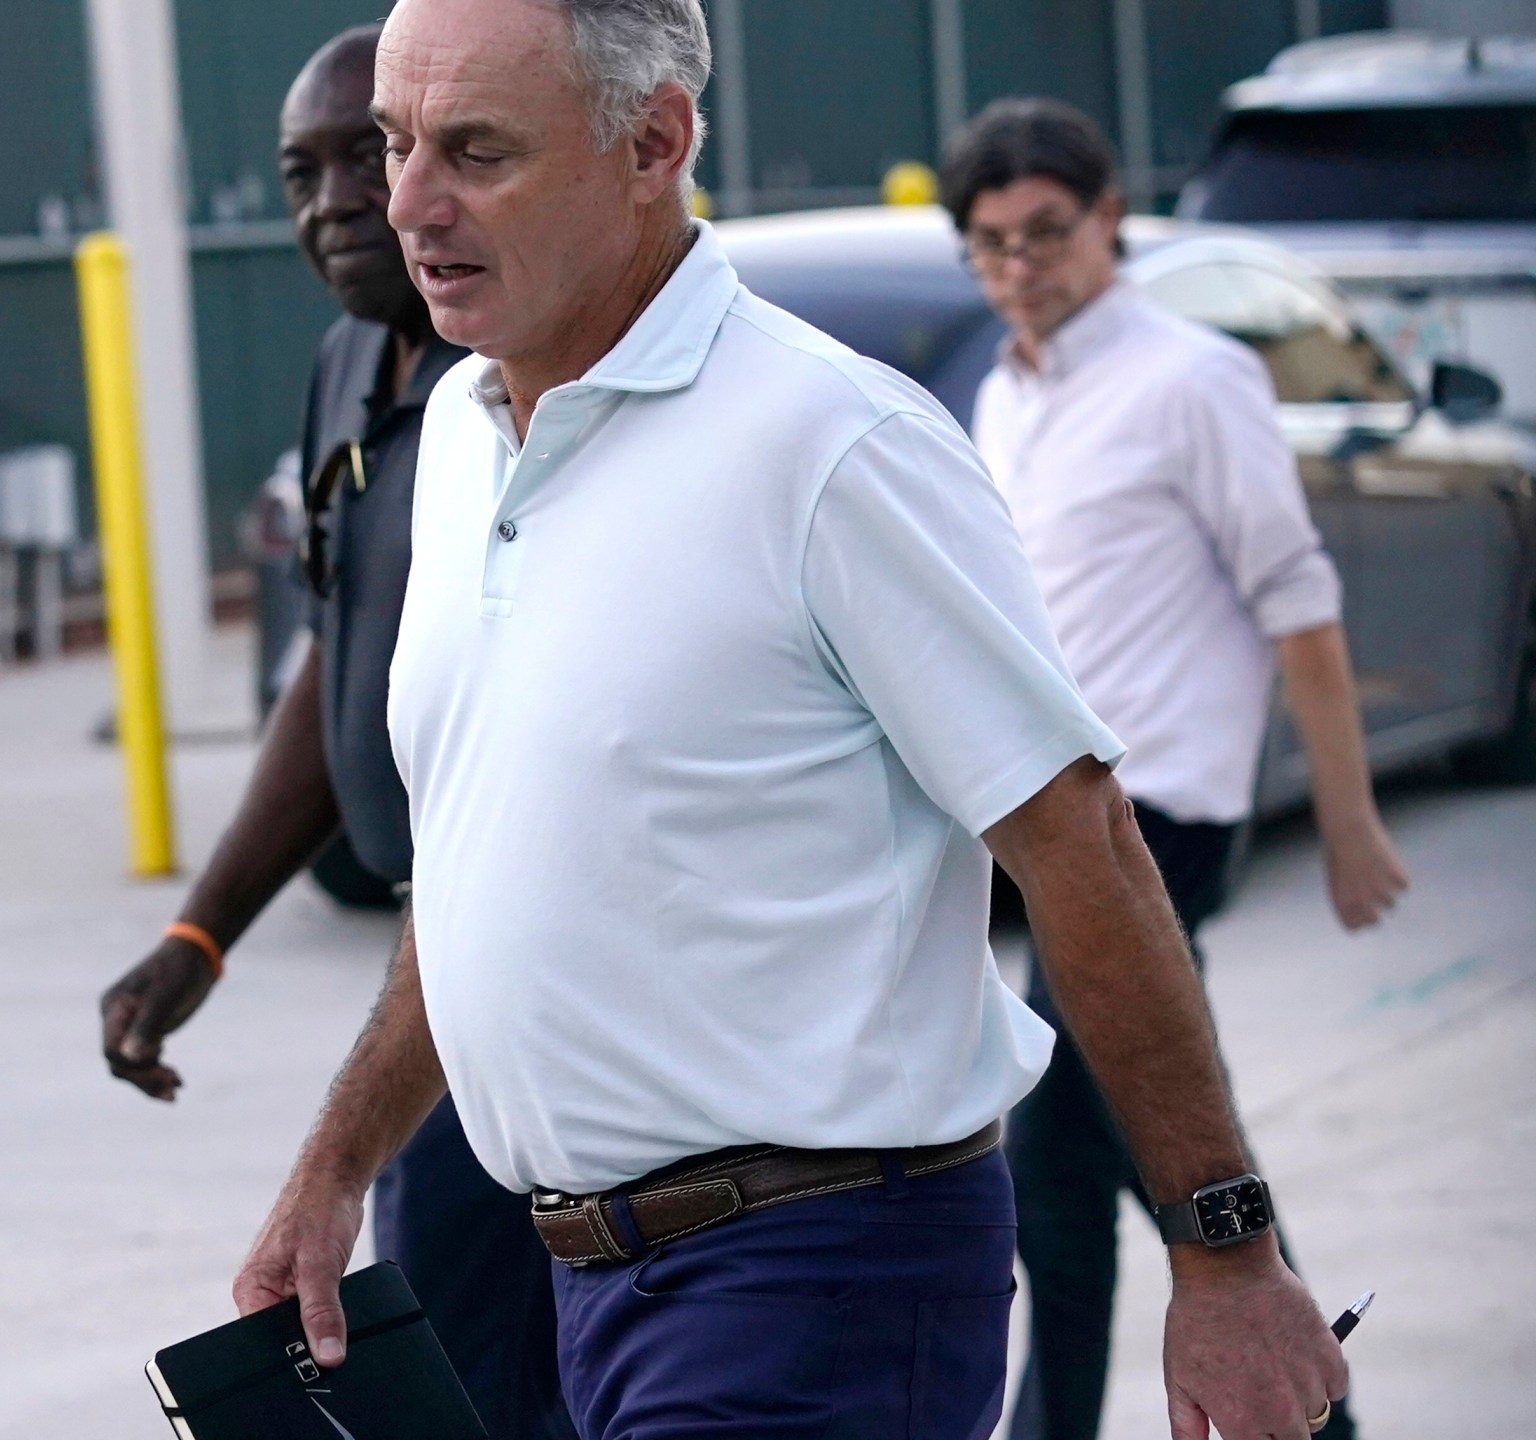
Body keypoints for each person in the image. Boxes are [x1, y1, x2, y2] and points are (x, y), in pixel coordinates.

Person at [230, 1, 1351, 1437]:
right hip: (586, 1282)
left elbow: (1086, 850)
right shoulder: (459, 439)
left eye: (475, 152)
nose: (407, 204)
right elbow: (476, 876)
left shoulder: (834, 448)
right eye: (394, 144)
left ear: (655, 142)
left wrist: (1231, 1258)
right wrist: (335, 1163)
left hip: (817, 1279)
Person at [94, 26, 575, 1440]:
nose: (336, 202)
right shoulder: (347, 366)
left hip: (540, 984)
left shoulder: (522, 393)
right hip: (433, 965)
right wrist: (202, 932)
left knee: (473, 1370)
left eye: (362, 156)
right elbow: (336, 663)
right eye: (298, 172)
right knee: (440, 1362)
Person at [941, 98, 1406, 1440]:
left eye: (1047, 233)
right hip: (1051, 815)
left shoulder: (1194, 376)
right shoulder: (1006, 392)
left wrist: (1348, 817)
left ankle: (1301, 1415)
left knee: (1140, 1168)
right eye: (991, 244)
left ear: (1108, 221)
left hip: (1163, 814)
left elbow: (1295, 597)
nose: (1022, 265)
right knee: (1090, 1174)